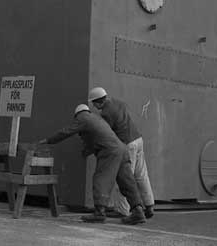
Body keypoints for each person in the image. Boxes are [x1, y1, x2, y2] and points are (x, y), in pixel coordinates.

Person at [39, 104, 146, 225]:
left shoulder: (83, 117)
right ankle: (138, 211)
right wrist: (86, 151)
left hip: (110, 152)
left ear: (77, 114)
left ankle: (99, 213)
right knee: (127, 182)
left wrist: (48, 140)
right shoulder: (97, 119)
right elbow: (98, 137)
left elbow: (66, 132)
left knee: (101, 178)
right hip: (122, 149)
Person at [88, 87, 155, 219]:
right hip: (138, 139)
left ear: (98, 101)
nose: (94, 107)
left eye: (94, 104)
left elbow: (106, 134)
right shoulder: (118, 102)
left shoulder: (106, 113)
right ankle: (149, 205)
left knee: (125, 177)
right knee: (141, 175)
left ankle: (122, 210)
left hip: (127, 143)